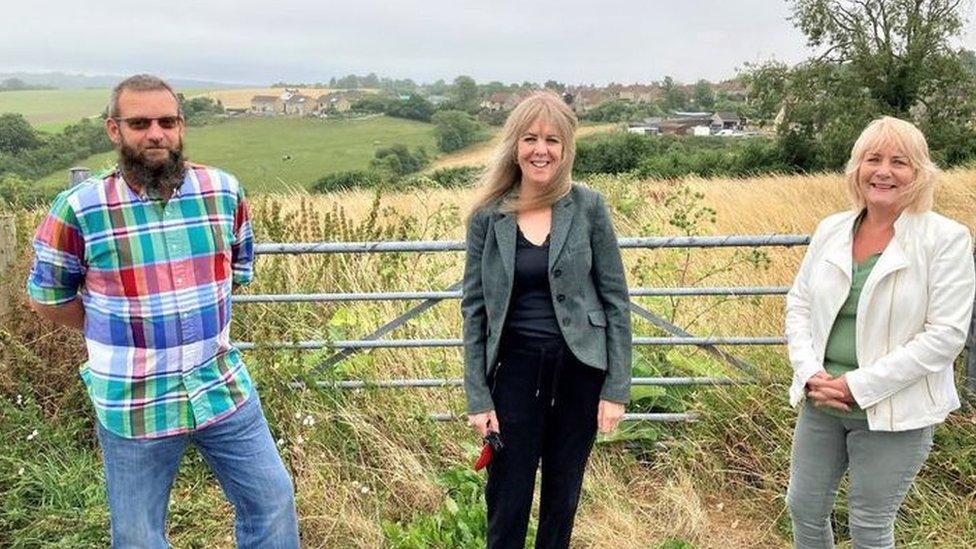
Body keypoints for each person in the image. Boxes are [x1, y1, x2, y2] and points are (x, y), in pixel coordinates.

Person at [27, 74, 299, 548]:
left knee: (272, 502)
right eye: (139, 122)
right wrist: (113, 332)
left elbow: (234, 272)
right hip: (134, 401)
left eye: (167, 121)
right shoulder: (79, 209)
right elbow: (48, 299)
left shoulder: (223, 193)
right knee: (137, 535)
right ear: (114, 130)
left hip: (219, 385)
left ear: (181, 126)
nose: (155, 133)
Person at [784, 116, 975, 548]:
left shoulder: (945, 239)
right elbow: (799, 304)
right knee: (804, 508)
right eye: (873, 159)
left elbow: (945, 335)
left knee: (870, 522)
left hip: (895, 410)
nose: (883, 171)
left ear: (919, 173)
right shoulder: (832, 229)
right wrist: (811, 371)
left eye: (899, 162)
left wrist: (858, 385)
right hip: (822, 400)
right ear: (857, 169)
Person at [461, 91, 632, 548]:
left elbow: (616, 300)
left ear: (566, 148)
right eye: (531, 138)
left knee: (563, 499)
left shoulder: (589, 207)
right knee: (507, 499)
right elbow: (474, 310)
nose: (541, 149)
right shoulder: (487, 216)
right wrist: (479, 397)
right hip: (514, 374)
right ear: (515, 146)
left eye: (552, 140)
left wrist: (615, 389)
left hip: (580, 375)